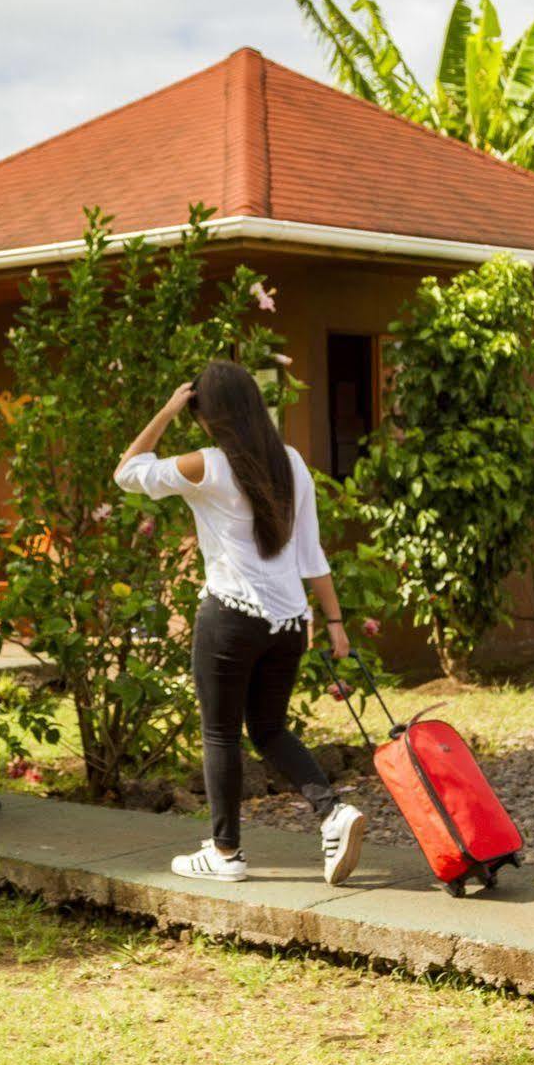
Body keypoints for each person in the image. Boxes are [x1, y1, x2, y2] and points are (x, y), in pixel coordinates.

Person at [115, 360, 366, 887]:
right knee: (269, 728)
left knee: (221, 732)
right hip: (290, 622)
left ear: (207, 415)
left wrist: (165, 411)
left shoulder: (207, 464)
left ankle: (225, 852)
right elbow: (311, 551)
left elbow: (127, 472)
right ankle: (331, 811)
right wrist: (335, 620)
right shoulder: (292, 462)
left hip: (231, 617)